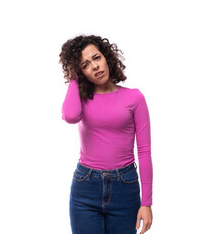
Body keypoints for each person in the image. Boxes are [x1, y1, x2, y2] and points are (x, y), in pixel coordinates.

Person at [59, 34, 153, 234]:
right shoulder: (81, 100)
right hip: (85, 188)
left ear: (106, 57)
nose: (94, 66)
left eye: (96, 57)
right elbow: (70, 116)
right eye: (84, 65)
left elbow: (144, 151)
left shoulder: (134, 97)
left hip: (125, 187)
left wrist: (147, 202)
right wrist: (74, 78)